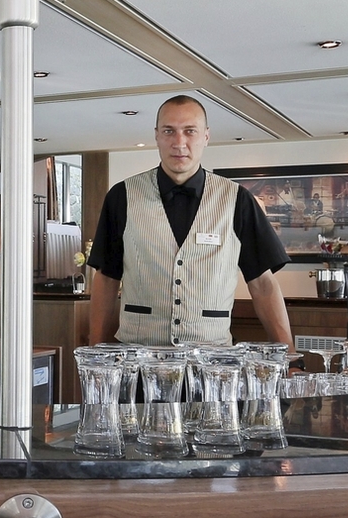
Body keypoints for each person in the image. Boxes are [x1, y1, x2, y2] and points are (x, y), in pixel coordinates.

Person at [87, 94, 294, 349]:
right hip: (139, 357)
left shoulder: (237, 200)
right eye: (169, 131)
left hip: (213, 361)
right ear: (157, 136)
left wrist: (290, 357)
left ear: (206, 136)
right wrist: (94, 354)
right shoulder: (122, 196)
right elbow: (106, 279)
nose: (179, 142)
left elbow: (263, 284)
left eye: (189, 131)